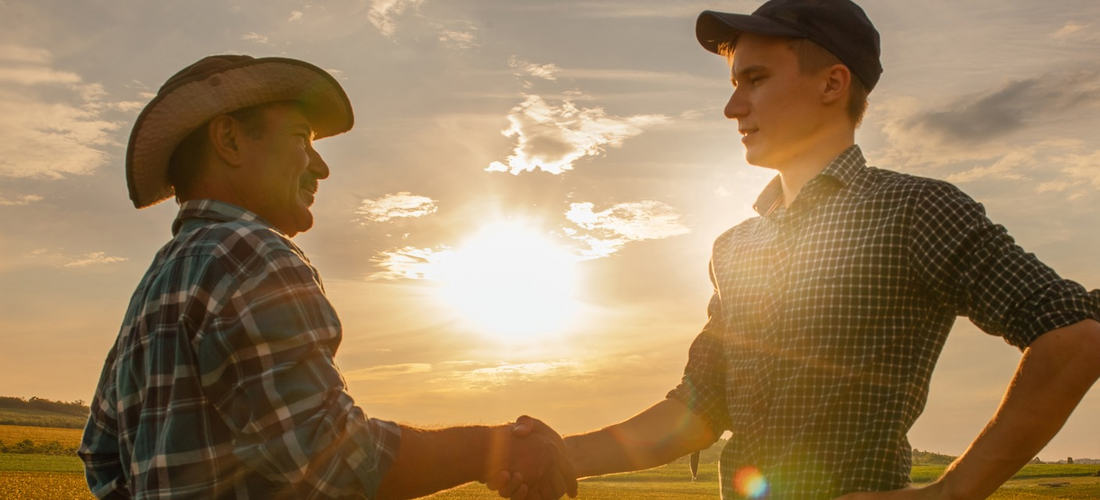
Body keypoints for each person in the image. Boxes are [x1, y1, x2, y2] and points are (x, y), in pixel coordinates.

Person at [491, 1, 1100, 499]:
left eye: (755, 80)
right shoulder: (735, 247)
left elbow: (1074, 336)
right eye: (734, 84)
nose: (733, 108)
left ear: (833, 82)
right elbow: (700, 411)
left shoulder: (915, 209)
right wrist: (555, 455)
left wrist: (953, 492)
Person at [79, 54, 577, 500]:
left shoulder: (156, 283)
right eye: (301, 138)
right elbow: (333, 460)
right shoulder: (249, 253)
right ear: (229, 139)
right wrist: (493, 449)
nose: (320, 167)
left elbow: (102, 459)